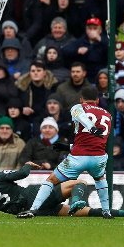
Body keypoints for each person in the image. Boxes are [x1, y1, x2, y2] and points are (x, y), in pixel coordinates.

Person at [18, 87, 114, 219]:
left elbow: (81, 117)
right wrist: (67, 146)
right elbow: (90, 141)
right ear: (97, 100)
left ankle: (33, 210)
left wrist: (91, 127)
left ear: (81, 99)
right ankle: (106, 211)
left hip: (78, 157)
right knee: (100, 179)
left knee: (51, 180)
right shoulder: (108, 115)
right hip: (98, 157)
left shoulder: (78, 107)